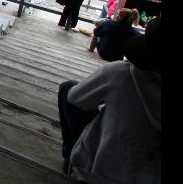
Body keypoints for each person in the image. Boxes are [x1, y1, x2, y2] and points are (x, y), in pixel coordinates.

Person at [57, 18, 160, 182]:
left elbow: (74, 98)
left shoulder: (121, 73)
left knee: (68, 88)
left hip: (96, 173)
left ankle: (70, 152)